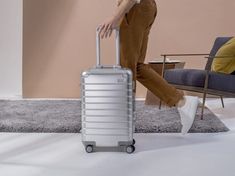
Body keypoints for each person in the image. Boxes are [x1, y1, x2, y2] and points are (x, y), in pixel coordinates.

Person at [98, 0, 199, 134]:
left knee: (127, 68)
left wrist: (115, 16)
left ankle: (125, 122)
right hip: (145, 7)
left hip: (134, 7)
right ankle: (181, 102)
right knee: (136, 67)